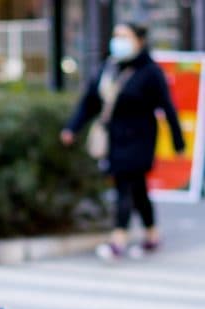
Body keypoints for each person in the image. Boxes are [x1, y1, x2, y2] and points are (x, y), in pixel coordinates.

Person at [60, 22, 185, 260]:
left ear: (139, 40)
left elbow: (168, 108)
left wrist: (178, 143)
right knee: (137, 189)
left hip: (141, 138)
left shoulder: (150, 72)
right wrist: (72, 128)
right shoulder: (109, 68)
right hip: (114, 138)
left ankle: (119, 239)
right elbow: (89, 102)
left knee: (125, 185)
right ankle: (152, 235)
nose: (118, 41)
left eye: (124, 36)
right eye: (116, 35)